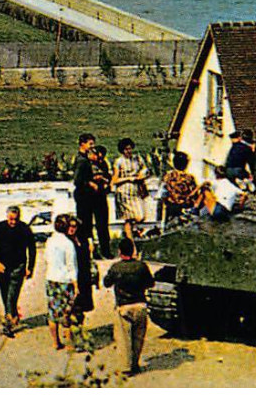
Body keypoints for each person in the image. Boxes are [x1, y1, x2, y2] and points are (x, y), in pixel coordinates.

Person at [104, 238, 154, 377]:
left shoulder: (116, 267)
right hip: (140, 305)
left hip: (123, 306)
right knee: (138, 338)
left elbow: (107, 283)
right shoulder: (141, 266)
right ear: (133, 251)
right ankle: (135, 363)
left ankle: (126, 367)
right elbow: (150, 283)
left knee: (124, 339)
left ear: (120, 252)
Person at [0, 205, 36, 336]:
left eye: (15, 219)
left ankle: (8, 325)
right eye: (11, 219)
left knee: (12, 295)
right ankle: (12, 314)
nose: (13, 222)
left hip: (18, 266)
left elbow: (32, 249)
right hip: (2, 266)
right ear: (7, 216)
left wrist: (30, 267)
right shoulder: (0, 227)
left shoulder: (25, 229)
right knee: (5, 294)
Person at [44, 214, 80, 352]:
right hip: (64, 280)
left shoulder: (50, 241)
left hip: (51, 278)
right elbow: (72, 265)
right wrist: (76, 284)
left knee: (53, 313)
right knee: (67, 313)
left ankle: (55, 342)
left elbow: (46, 258)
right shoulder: (68, 243)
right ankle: (70, 344)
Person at [65, 214, 94, 350]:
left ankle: (79, 334)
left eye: (74, 226)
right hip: (72, 278)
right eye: (69, 226)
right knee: (73, 310)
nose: (72, 229)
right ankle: (74, 340)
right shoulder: (65, 242)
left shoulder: (81, 239)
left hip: (84, 277)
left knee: (81, 309)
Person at [111, 138, 150, 239]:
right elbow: (115, 180)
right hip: (124, 191)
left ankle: (133, 232)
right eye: (126, 149)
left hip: (135, 191)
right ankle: (130, 238)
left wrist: (142, 175)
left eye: (130, 149)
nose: (128, 151)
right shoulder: (119, 162)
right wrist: (129, 178)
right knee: (129, 217)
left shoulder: (137, 159)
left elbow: (145, 169)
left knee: (140, 215)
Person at [73, 134, 103, 259]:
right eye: (90, 144)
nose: (92, 146)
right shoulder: (82, 160)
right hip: (83, 195)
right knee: (85, 224)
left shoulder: (85, 158)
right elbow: (77, 180)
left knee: (87, 223)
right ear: (82, 144)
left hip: (87, 196)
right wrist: (90, 183)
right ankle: (85, 250)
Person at [160, 151, 201, 223]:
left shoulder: (168, 176)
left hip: (171, 206)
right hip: (185, 206)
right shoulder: (189, 178)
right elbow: (194, 194)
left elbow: (163, 193)